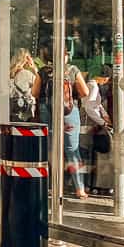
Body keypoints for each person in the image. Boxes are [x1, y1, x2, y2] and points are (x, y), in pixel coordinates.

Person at [38, 49, 90, 200]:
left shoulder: (43, 71)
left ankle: (50, 185)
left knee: (50, 149)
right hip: (69, 112)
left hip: (47, 112)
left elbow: (35, 93)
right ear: (66, 56)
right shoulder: (72, 70)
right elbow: (85, 92)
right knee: (72, 150)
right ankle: (79, 188)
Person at [8, 49, 39, 122]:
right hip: (26, 114)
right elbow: (38, 86)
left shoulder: (9, 74)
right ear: (26, 59)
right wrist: (34, 68)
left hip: (12, 111)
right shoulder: (27, 74)